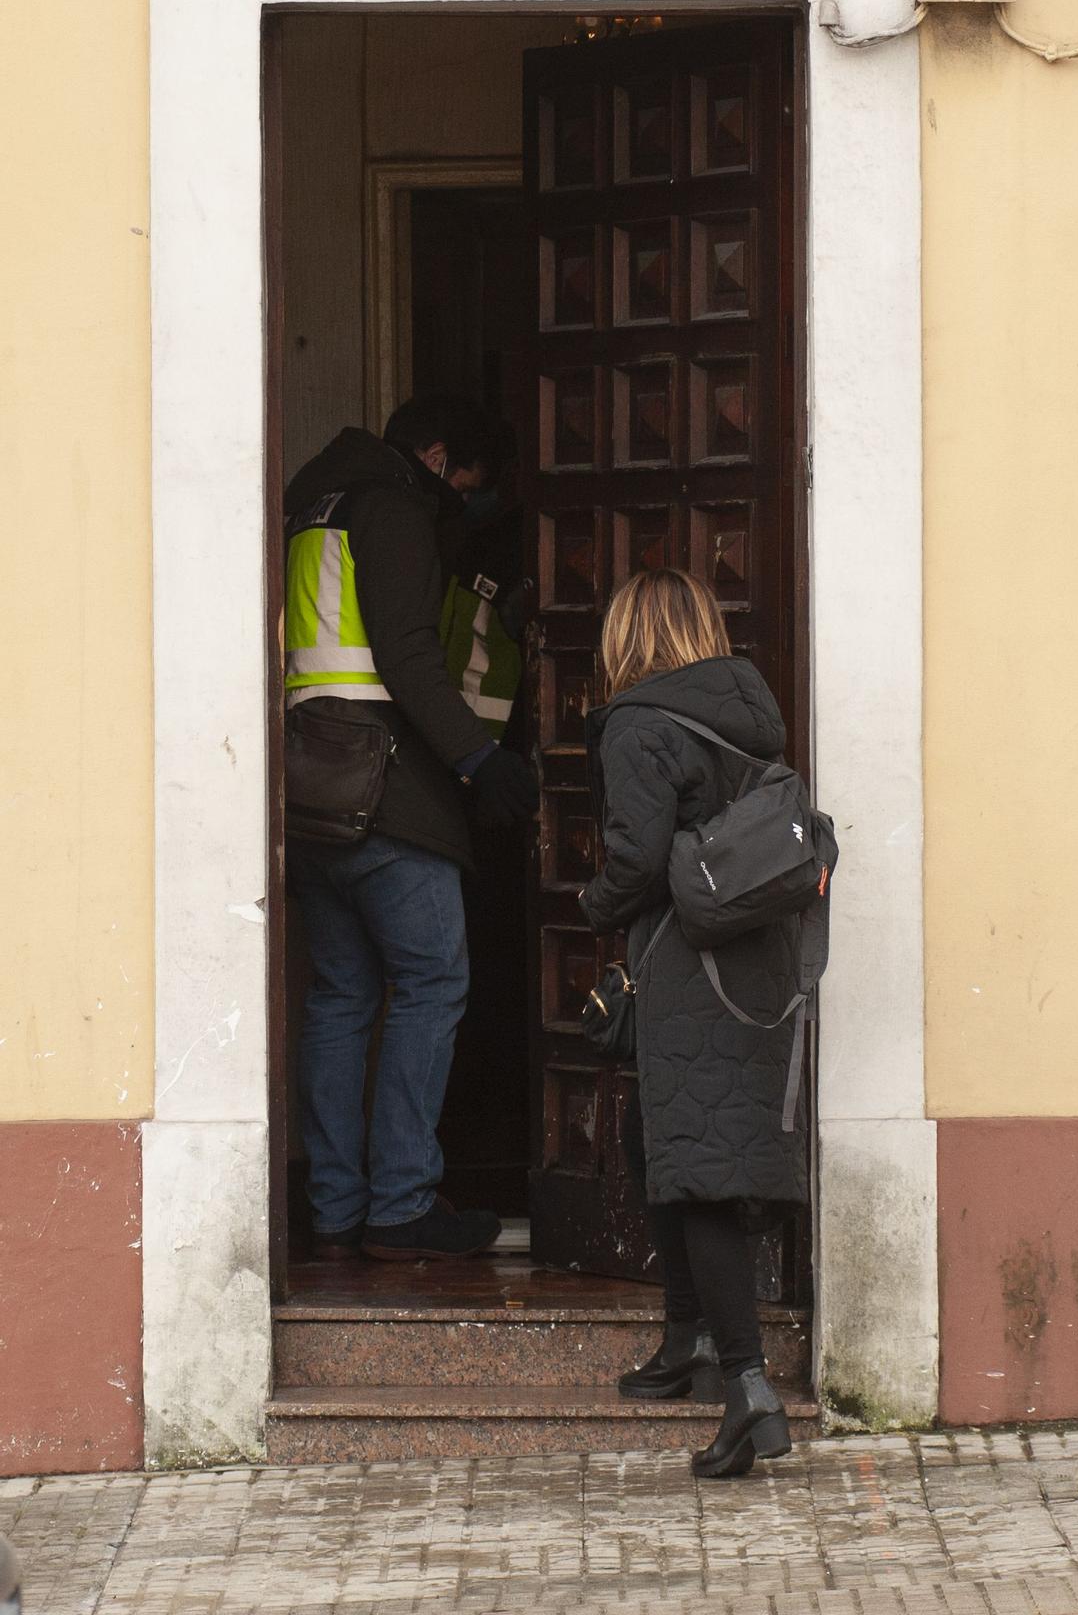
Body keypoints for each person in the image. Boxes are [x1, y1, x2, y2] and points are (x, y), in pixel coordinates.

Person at [284, 394, 538, 1261]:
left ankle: (335, 1209)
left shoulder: (310, 504)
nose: (468, 499)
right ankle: (400, 1205)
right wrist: (477, 759)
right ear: (434, 457)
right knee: (432, 982)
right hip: (384, 787)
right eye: (467, 481)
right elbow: (405, 653)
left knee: (342, 996)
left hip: (311, 784)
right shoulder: (390, 507)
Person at [579, 569, 805, 1479]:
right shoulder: (749, 715)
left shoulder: (638, 724)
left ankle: (748, 1388)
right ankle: (687, 1340)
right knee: (664, 1143)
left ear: (628, 636)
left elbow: (634, 859)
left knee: (699, 1170)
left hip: (684, 960)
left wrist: (595, 904)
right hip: (754, 960)